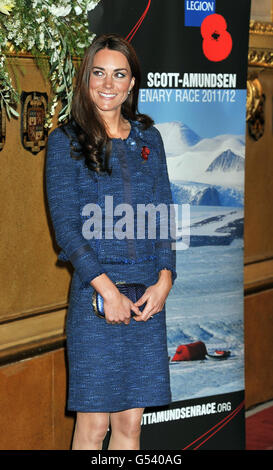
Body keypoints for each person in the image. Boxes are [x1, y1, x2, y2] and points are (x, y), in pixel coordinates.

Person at [46, 33, 176, 450]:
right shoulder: (65, 142)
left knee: (130, 426)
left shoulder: (148, 139)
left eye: (119, 74)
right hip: (95, 298)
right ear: (86, 80)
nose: (108, 83)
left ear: (132, 83)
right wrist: (108, 291)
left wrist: (165, 278)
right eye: (99, 73)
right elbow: (67, 227)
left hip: (146, 299)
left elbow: (163, 215)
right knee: (94, 425)